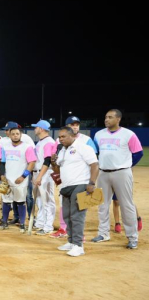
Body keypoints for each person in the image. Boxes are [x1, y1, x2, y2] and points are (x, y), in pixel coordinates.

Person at [92, 109, 143, 249]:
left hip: (121, 173)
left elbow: (138, 153)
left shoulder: (128, 134)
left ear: (118, 119)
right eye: (105, 117)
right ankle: (103, 233)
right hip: (103, 173)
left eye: (110, 117)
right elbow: (95, 153)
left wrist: (126, 165)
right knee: (102, 204)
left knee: (127, 205)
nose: (106, 119)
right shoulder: (98, 134)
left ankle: (132, 237)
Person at [52, 127, 99, 257]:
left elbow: (94, 165)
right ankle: (71, 241)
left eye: (63, 136)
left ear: (72, 135)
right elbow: (57, 171)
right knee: (67, 215)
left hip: (80, 184)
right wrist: (53, 161)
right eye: (59, 137)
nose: (61, 139)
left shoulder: (83, 147)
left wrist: (91, 183)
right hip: (66, 186)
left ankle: (79, 245)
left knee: (77, 216)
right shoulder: (62, 150)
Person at [0, 127, 37, 232]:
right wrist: (2, 175)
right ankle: (4, 222)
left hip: (21, 180)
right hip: (8, 179)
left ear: (20, 135)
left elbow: (32, 162)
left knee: (20, 202)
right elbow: (2, 162)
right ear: (9, 135)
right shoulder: (5, 147)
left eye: (17, 134)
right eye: (13, 133)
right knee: (6, 201)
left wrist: (23, 176)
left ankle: (22, 223)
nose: (15, 135)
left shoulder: (27, 147)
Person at [30, 120, 57, 235]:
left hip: (45, 173)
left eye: (36, 127)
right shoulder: (41, 142)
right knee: (40, 200)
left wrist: (40, 176)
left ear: (41, 129)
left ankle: (48, 226)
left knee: (47, 200)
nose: (34, 129)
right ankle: (41, 222)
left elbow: (47, 161)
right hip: (38, 173)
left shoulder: (48, 142)